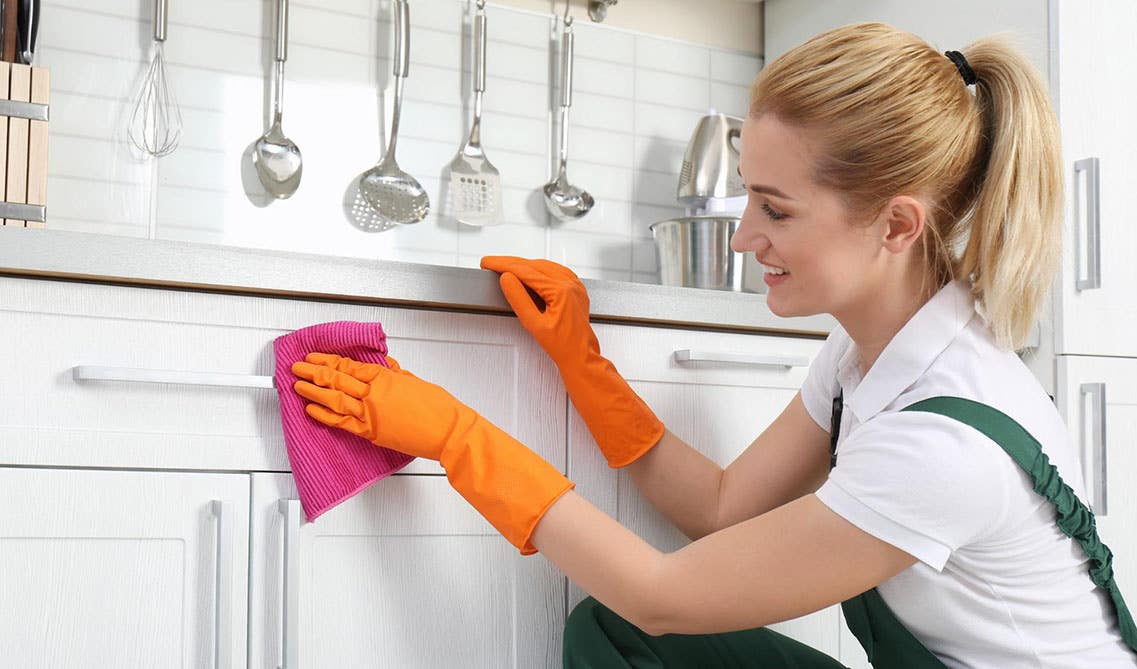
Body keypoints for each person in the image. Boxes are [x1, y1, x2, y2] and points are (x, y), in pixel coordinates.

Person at [290, 22, 1137, 668]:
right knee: (613, 636)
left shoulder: (943, 440)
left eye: (774, 208)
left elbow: (661, 594)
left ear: (896, 224)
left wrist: (455, 436)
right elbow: (724, 504)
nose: (741, 239)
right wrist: (582, 362)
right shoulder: (867, 356)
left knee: (639, 618)